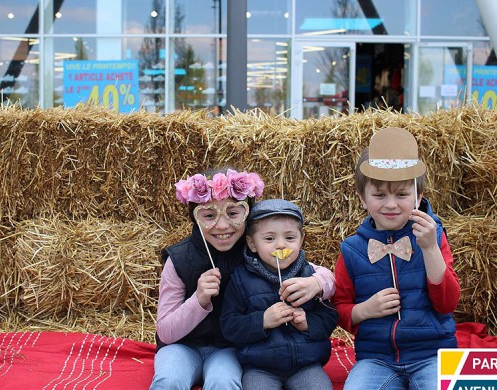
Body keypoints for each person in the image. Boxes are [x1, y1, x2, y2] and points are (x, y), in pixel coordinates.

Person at [150, 168, 335, 390]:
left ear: (247, 215)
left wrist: (316, 283)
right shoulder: (179, 259)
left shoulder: (259, 251)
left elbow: (321, 275)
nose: (221, 225)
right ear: (196, 218)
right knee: (169, 381)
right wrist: (198, 300)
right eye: (209, 215)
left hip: (228, 349)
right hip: (180, 347)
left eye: (233, 213)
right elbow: (166, 333)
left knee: (224, 382)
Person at [332, 127, 460, 389]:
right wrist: (365, 310)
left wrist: (429, 249)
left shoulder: (433, 237)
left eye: (402, 194)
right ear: (362, 198)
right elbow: (338, 308)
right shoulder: (352, 250)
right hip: (376, 359)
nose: (390, 204)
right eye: (379, 195)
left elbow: (447, 304)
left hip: (432, 355)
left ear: (418, 196)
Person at [220, 199, 337, 390]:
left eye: (290, 238)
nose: (281, 245)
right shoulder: (241, 279)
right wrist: (262, 320)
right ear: (252, 243)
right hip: (259, 367)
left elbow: (330, 316)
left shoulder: (309, 277)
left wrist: (307, 322)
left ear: (301, 239)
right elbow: (229, 326)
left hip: (306, 364)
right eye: (269, 239)